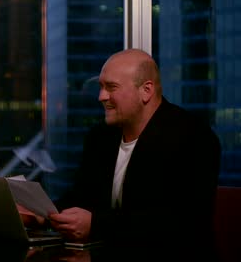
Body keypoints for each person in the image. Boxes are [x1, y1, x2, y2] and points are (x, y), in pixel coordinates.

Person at [21, 49, 221, 247]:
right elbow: (81, 197)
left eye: (111, 87)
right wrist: (42, 215)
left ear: (146, 90)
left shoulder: (194, 137)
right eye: (101, 87)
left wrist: (96, 225)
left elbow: (180, 220)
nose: (101, 96)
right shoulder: (100, 137)